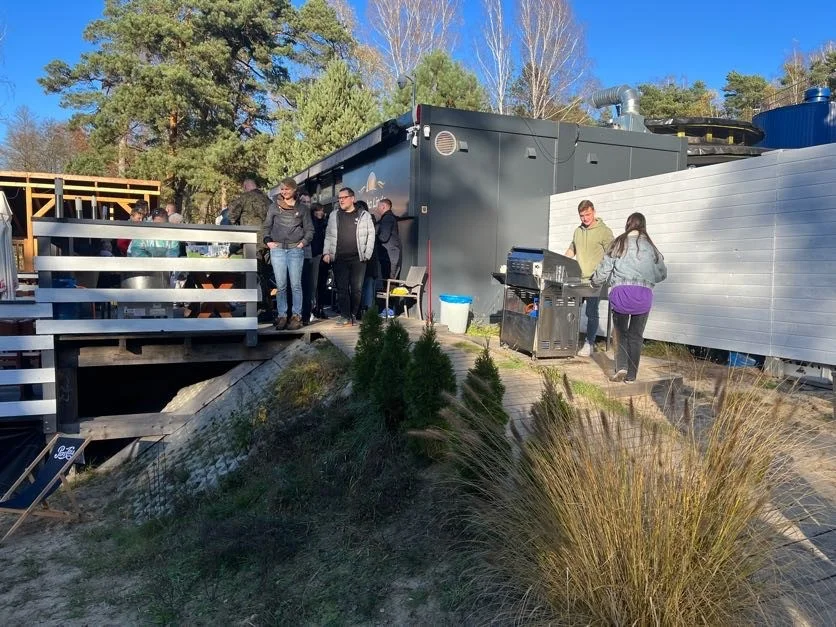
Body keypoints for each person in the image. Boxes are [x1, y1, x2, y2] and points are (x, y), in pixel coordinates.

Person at [591, 212, 667, 383]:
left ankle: (622, 367)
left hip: (621, 294)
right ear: (643, 226)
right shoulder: (651, 247)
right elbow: (662, 274)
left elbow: (604, 269)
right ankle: (632, 375)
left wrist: (594, 282)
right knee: (636, 336)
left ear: (627, 225)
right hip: (643, 296)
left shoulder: (618, 243)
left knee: (620, 334)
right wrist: (645, 279)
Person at [565, 199, 614, 356]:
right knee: (570, 308)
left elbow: (612, 254)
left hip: (595, 279)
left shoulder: (604, 231)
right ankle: (568, 340)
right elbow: (572, 249)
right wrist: (561, 261)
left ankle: (589, 343)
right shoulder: (578, 231)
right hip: (579, 279)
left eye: (587, 214)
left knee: (591, 312)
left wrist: (603, 275)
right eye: (582, 216)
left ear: (594, 211)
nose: (585, 218)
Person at [263, 178, 313, 331]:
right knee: (281, 285)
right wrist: (268, 241)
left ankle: (296, 316)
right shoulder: (273, 207)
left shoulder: (302, 209)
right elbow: (266, 227)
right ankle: (282, 315)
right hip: (277, 249)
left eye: (287, 189)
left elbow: (310, 229)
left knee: (296, 285)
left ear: (294, 190)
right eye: (282, 189)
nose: (284, 192)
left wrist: (302, 243)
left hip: (295, 250)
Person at [322, 187, 375, 326]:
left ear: (352, 198)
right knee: (342, 288)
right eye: (339, 198)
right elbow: (329, 235)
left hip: (359, 258)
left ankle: (353, 314)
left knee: (357, 289)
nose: (341, 200)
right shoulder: (334, 215)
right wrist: (326, 252)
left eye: (344, 198)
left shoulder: (364, 215)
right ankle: (345, 316)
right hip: (339, 257)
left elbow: (371, 235)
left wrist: (367, 253)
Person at [228, 178, 273, 321]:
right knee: (265, 277)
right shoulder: (268, 200)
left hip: (251, 242)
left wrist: (238, 230)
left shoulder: (244, 198)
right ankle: (267, 309)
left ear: (245, 186)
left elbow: (231, 215)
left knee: (252, 277)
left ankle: (255, 309)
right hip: (267, 242)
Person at [309, 203, 328, 319]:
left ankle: (320, 307)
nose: (320, 213)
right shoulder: (311, 223)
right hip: (314, 255)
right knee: (313, 284)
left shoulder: (325, 223)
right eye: (318, 211)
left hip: (324, 256)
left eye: (322, 211)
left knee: (322, 284)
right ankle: (312, 308)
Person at [376, 198, 401, 281]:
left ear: (383, 206)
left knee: (389, 280)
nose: (377, 209)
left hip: (389, 256)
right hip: (391, 254)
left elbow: (383, 237)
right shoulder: (390, 218)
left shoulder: (387, 218)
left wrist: (374, 238)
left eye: (378, 206)